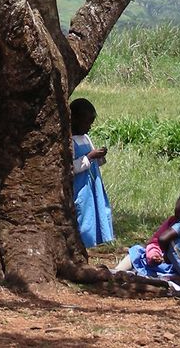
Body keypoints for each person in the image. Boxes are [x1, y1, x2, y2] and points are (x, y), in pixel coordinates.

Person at [70, 98, 114, 248]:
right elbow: (71, 167)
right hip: (80, 188)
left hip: (92, 185)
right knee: (83, 213)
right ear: (74, 119)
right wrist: (89, 157)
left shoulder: (86, 138)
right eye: (86, 123)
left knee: (95, 211)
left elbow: (95, 162)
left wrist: (99, 155)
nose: (88, 127)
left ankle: (97, 240)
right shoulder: (69, 141)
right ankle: (83, 242)